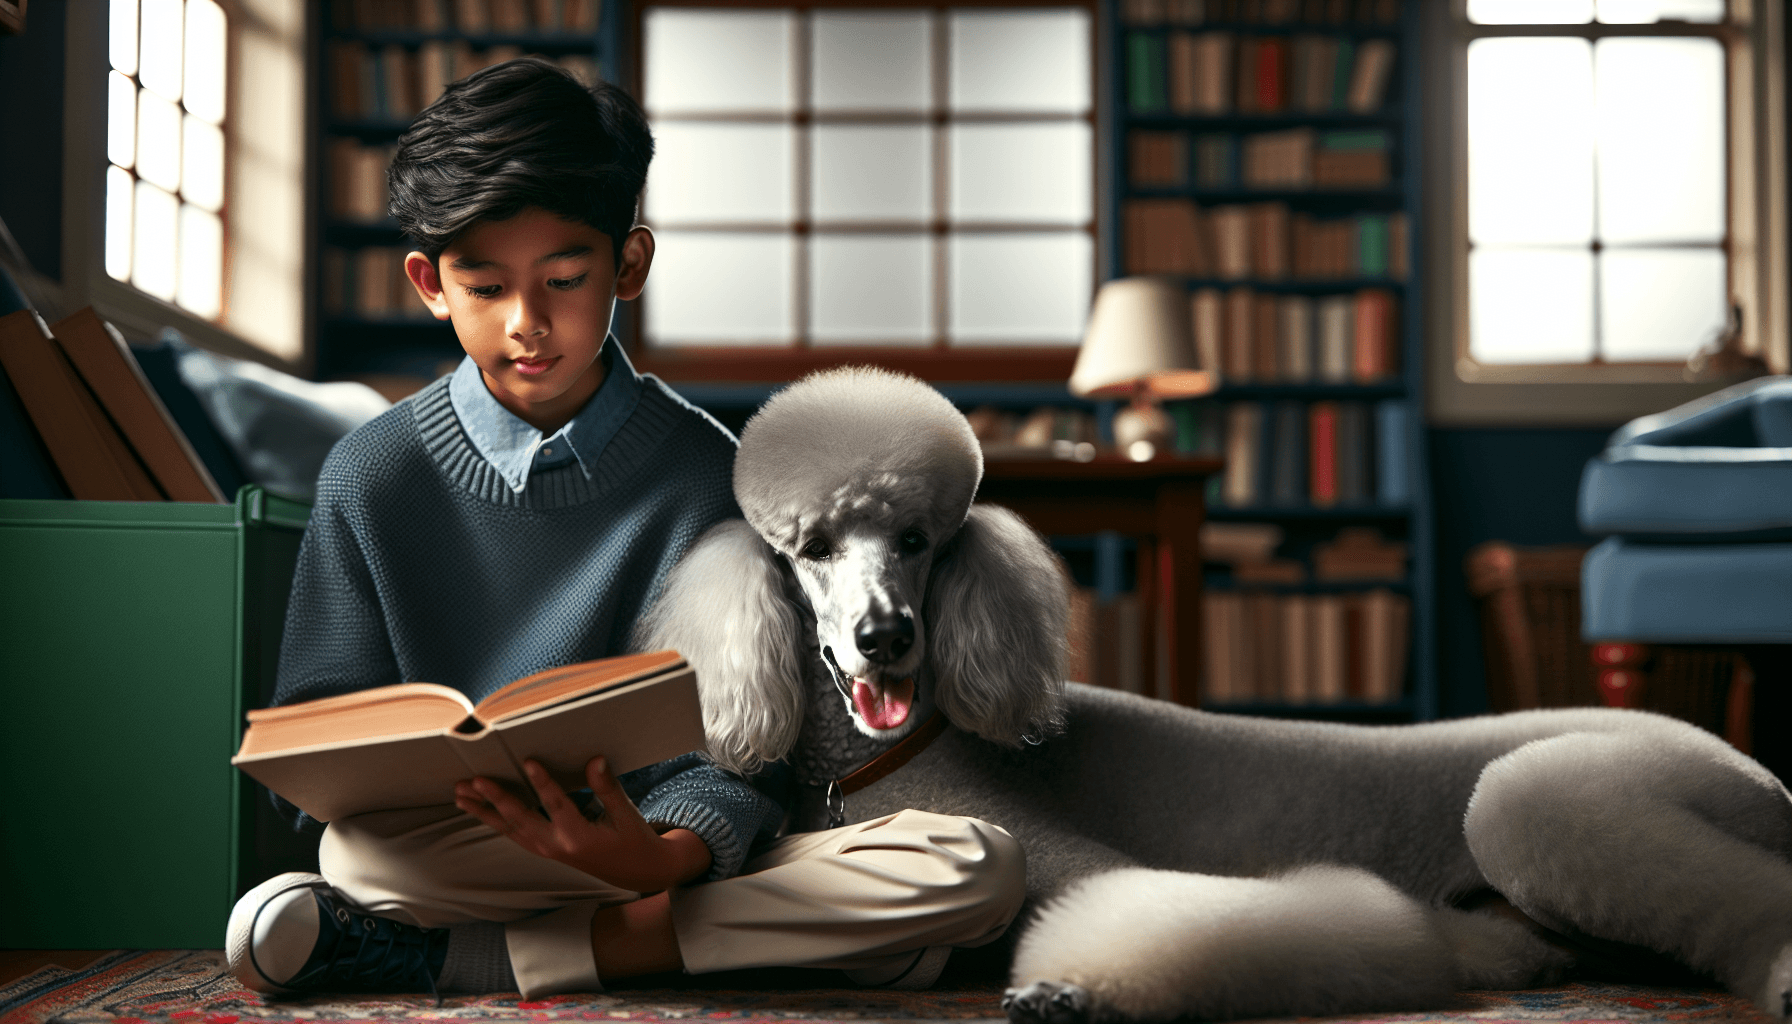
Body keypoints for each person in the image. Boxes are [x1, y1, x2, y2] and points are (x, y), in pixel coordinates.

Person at [225, 58, 1023, 1002]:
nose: (528, 323)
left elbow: (749, 753)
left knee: (973, 863)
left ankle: (481, 959)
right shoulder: (370, 474)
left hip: (662, 849)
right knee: (354, 855)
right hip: (461, 849)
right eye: (484, 288)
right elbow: (315, 739)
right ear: (430, 285)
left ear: (628, 264)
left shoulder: (707, 473)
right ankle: (753, 944)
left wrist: (664, 853)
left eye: (565, 278)